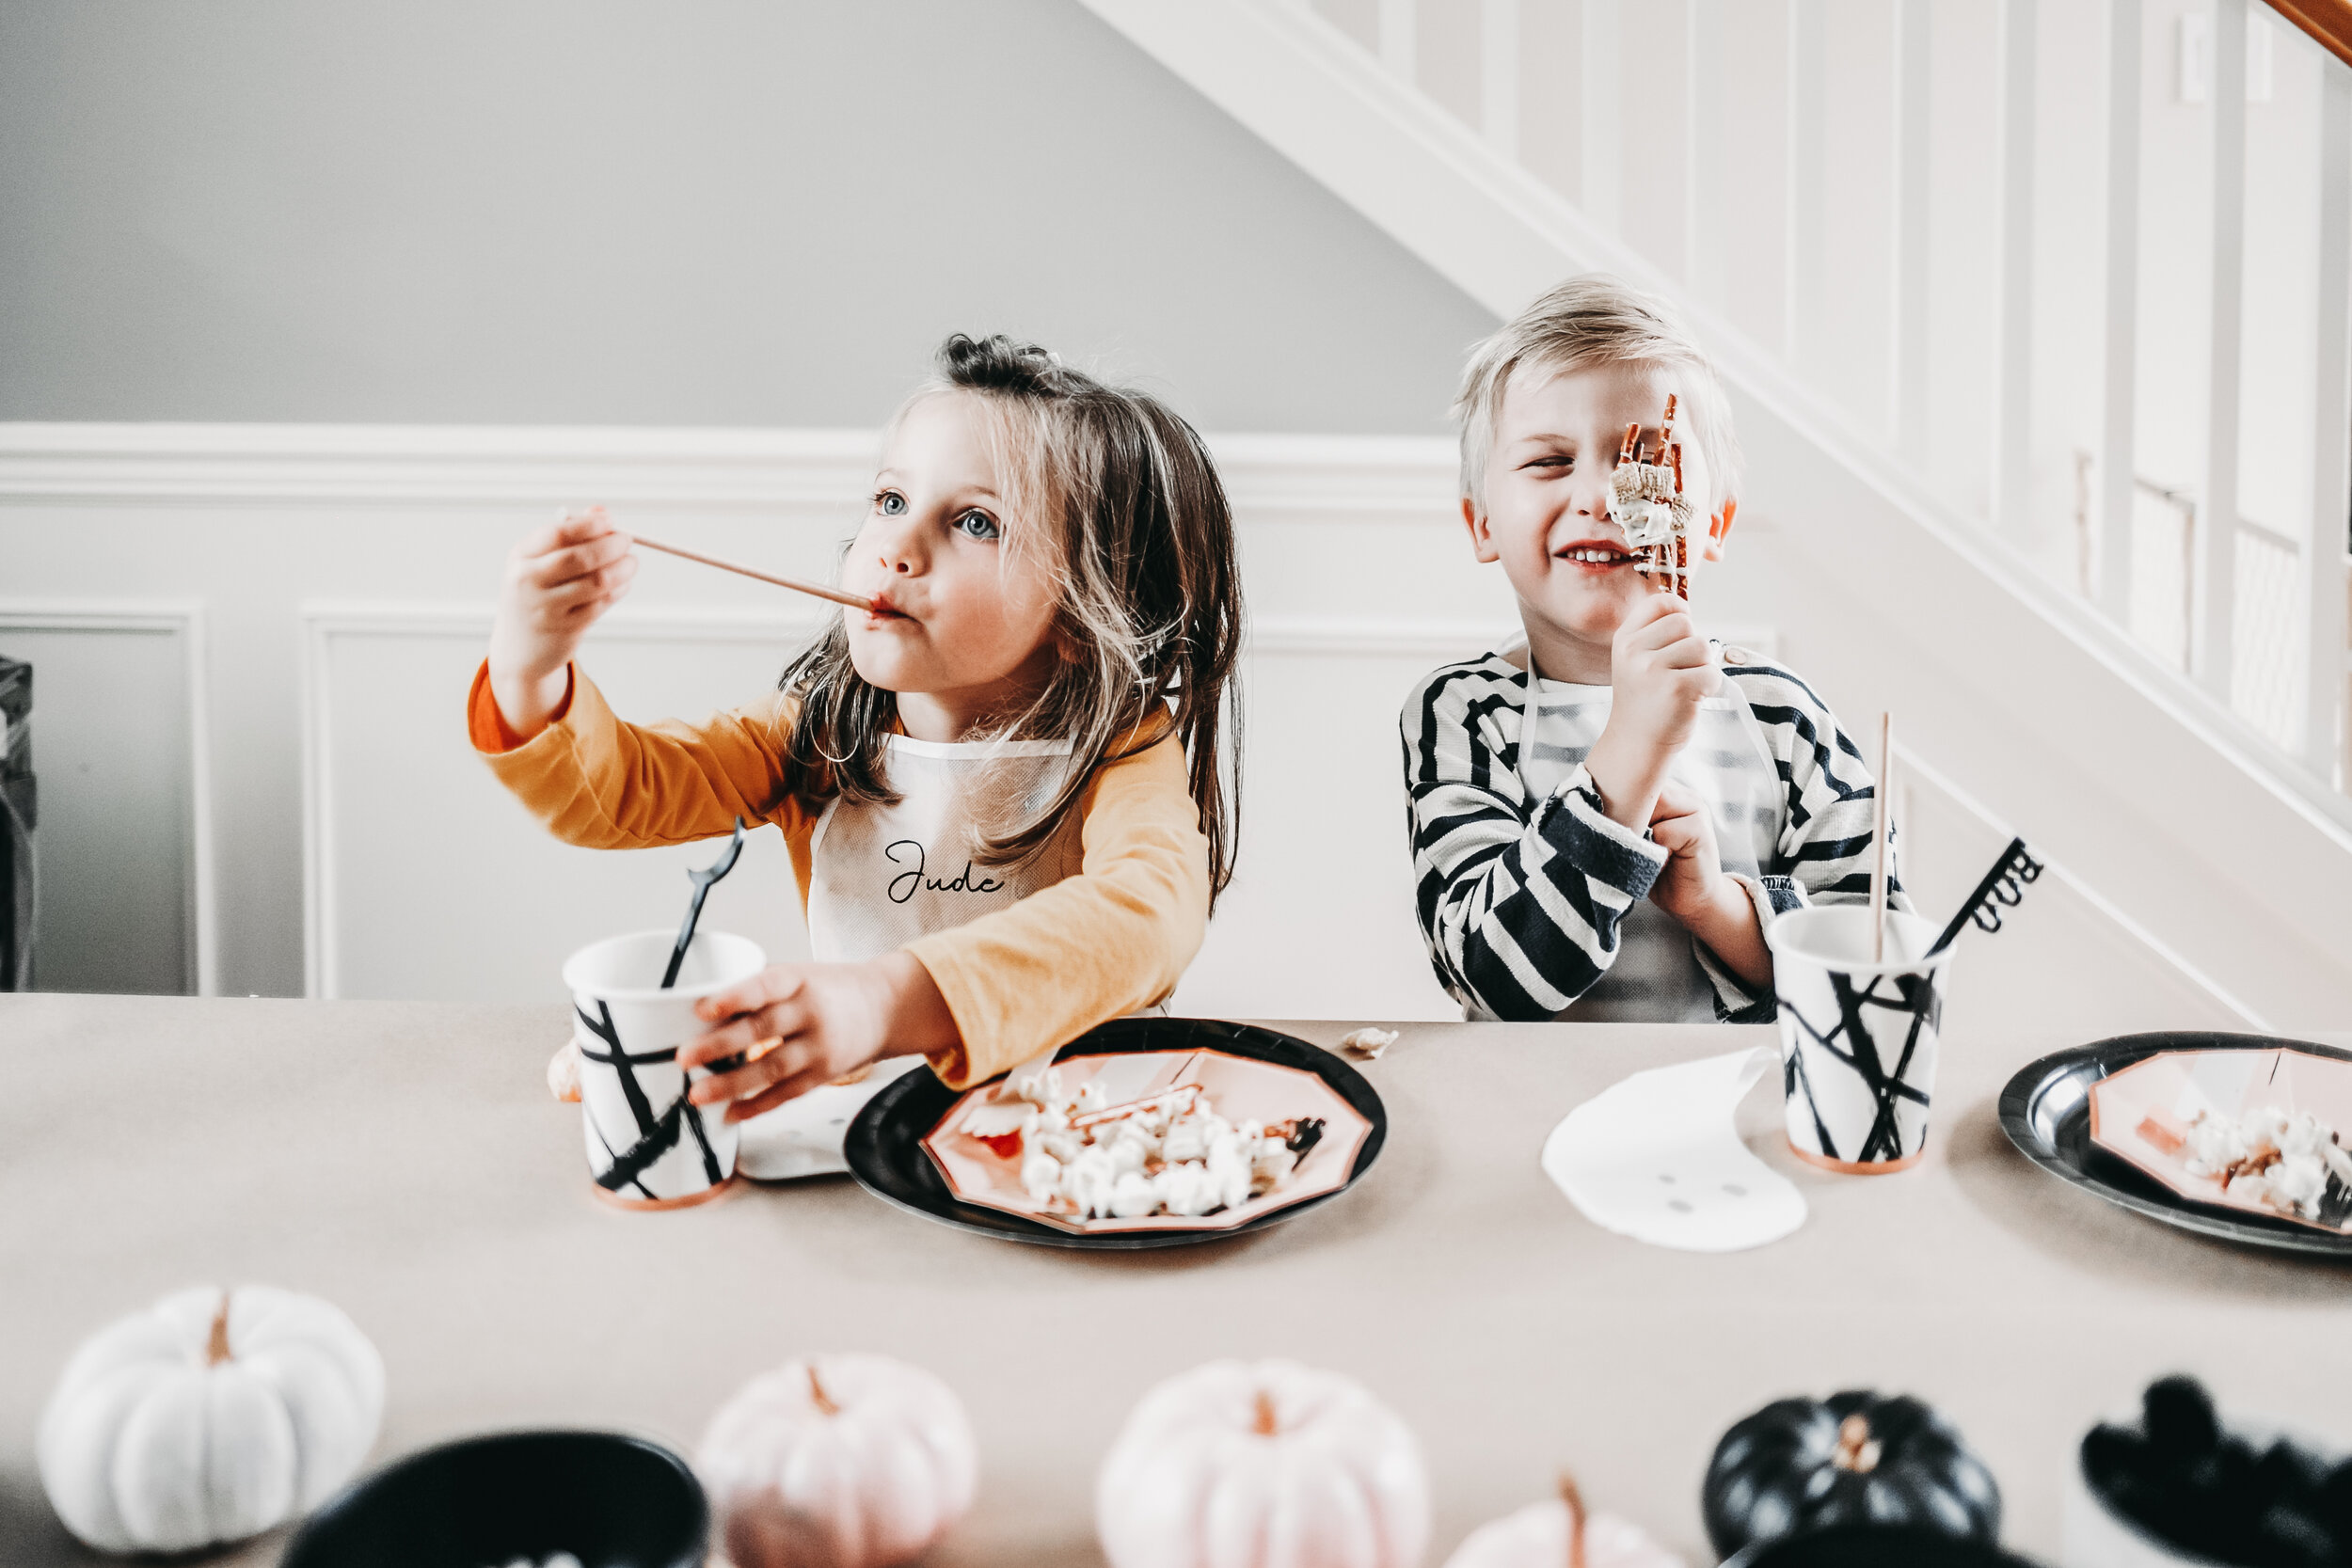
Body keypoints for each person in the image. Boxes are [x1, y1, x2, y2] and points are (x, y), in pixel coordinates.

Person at [470, 334, 1240, 1171]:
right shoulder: (817, 735)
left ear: (1081, 614)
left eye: (974, 521)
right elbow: (614, 795)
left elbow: (1148, 914)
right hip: (875, 1155)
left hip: (1085, 1159)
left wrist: (884, 1000)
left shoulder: (1122, 752)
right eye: (888, 500)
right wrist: (530, 665)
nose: (895, 548)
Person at [1402, 275, 1900, 1023]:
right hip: (1525, 1116)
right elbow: (1488, 975)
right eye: (1548, 461)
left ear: (1714, 524)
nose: (1601, 496)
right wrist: (1630, 749)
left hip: (1732, 1119)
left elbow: (1876, 974)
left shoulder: (1784, 720)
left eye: (1645, 462)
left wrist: (1717, 907)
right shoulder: (1464, 716)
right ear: (1481, 524)